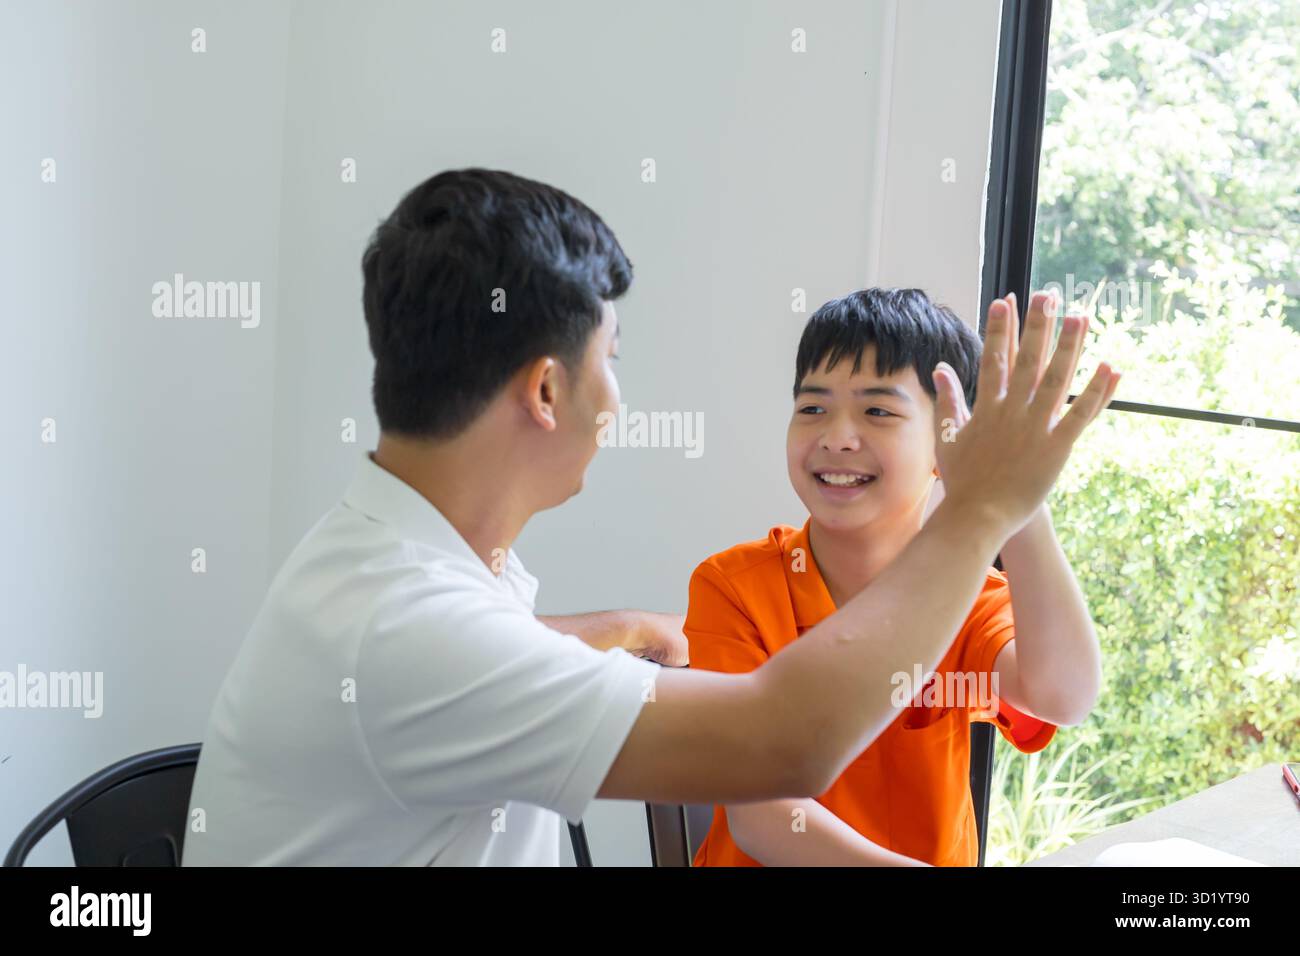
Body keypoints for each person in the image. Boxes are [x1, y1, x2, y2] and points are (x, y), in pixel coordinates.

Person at [183, 168, 1119, 865]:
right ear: (546, 390)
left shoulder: (406, 569)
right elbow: (782, 748)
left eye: (878, 409)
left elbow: (1058, 688)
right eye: (613, 359)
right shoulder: (410, 628)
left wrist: (624, 630)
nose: (620, 401)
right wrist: (990, 499)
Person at [688, 288, 1102, 866]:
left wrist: (1016, 502)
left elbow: (1064, 695)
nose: (836, 436)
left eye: (877, 410)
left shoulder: (970, 597)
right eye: (812, 408)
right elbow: (762, 818)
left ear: (946, 445)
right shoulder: (733, 587)